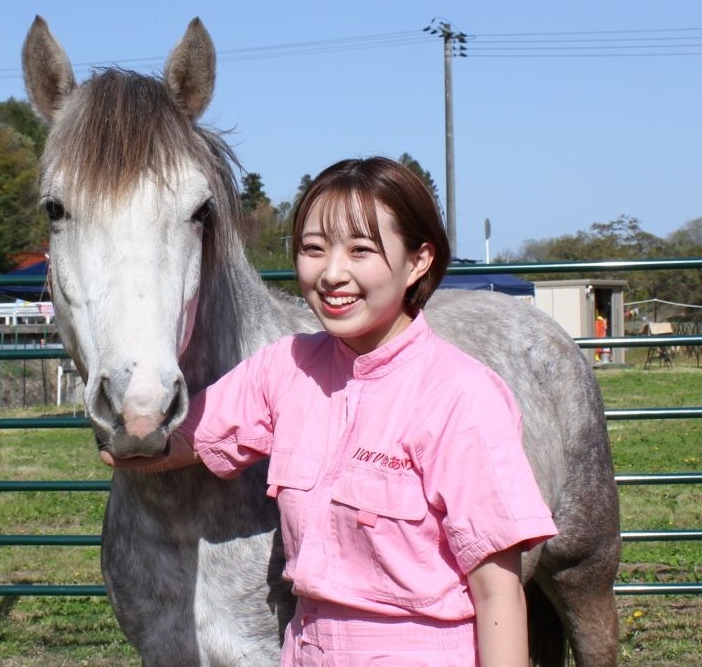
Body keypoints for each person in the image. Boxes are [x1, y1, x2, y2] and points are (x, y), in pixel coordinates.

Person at [100, 156, 558, 666]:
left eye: (361, 250)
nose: (332, 274)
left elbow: (498, 594)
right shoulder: (286, 367)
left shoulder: (461, 396)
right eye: (313, 249)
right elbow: (173, 439)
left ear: (419, 260)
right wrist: (126, 416)